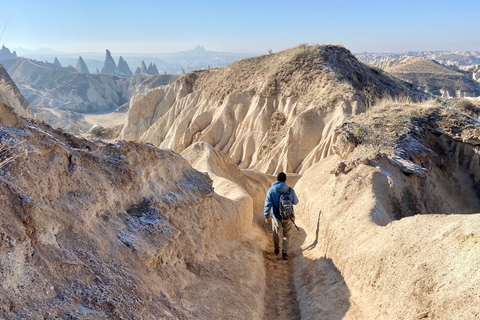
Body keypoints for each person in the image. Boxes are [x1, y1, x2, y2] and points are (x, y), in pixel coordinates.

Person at [264, 172, 299, 260]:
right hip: (288, 216)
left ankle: (276, 250)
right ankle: (285, 253)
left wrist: (266, 216)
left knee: (276, 233)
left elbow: (267, 205)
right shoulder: (290, 190)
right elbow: (296, 202)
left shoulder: (271, 190)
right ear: (285, 180)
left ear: (277, 180)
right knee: (287, 234)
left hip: (276, 216)